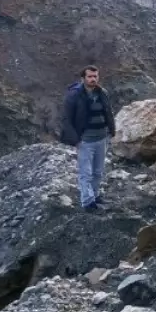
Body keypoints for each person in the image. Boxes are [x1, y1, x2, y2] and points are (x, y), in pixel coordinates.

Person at [61, 65, 116, 211]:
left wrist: (111, 130)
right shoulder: (74, 95)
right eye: (90, 76)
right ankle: (87, 202)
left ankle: (96, 196)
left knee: (98, 171)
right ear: (83, 78)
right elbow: (66, 119)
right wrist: (76, 140)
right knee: (86, 173)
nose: (93, 79)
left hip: (101, 138)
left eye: (95, 76)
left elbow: (108, 112)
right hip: (85, 140)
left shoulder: (102, 92)